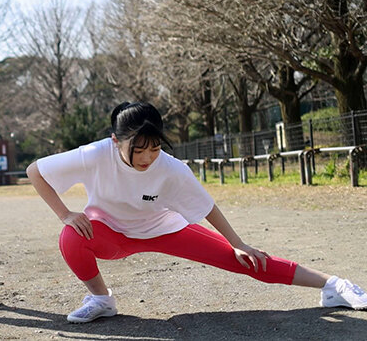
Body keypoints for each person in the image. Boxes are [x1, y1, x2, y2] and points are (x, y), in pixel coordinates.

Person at [27, 102, 367, 323]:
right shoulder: (95, 154)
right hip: (111, 232)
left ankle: (333, 285)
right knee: (71, 236)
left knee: (245, 260)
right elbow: (35, 171)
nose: (147, 158)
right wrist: (65, 214)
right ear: (116, 141)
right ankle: (102, 300)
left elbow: (207, 208)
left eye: (155, 148)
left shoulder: (172, 169)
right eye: (139, 149)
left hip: (164, 230)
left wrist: (237, 243)